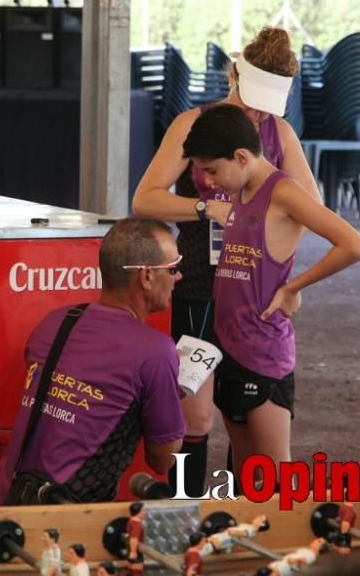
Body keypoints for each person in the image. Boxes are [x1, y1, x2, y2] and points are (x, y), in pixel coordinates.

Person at [133, 27, 321, 495]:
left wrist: (286, 277)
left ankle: (238, 515)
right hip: (199, 282)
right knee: (194, 412)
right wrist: (205, 207)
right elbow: (146, 199)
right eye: (251, 99)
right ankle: (183, 511)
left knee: (247, 407)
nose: (256, 113)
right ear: (233, 76)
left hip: (253, 293)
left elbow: (312, 210)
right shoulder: (192, 124)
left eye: (265, 106)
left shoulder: (279, 132)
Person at [183, 103, 360, 467]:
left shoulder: (284, 191)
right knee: (241, 470)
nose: (208, 181)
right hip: (228, 345)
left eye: (212, 170)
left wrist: (293, 288)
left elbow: (354, 245)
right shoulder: (240, 191)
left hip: (264, 351)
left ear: (240, 157)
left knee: (272, 475)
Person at [0, 218, 186, 505]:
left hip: (5, 503)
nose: (177, 277)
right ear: (146, 276)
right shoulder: (155, 352)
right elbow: (163, 460)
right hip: (64, 523)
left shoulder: (54, 322)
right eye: (173, 268)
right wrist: (179, 394)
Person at [127, 501, 146, 576]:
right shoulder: (137, 524)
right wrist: (133, 552)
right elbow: (134, 538)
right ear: (139, 511)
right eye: (143, 510)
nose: (145, 512)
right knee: (136, 572)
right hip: (136, 551)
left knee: (131, 571)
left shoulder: (131, 520)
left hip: (132, 549)